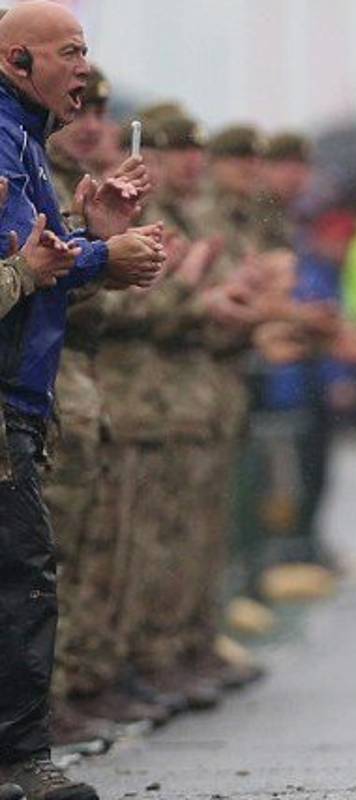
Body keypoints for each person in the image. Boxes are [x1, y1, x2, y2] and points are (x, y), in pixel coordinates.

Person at [0, 3, 165, 798]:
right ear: (15, 60)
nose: (83, 70)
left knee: (26, 572)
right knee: (20, 579)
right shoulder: (1, 137)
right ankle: (21, 761)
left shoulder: (26, 139)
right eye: (68, 53)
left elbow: (37, 261)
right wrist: (98, 255)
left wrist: (85, 235)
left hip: (28, 398)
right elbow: (19, 270)